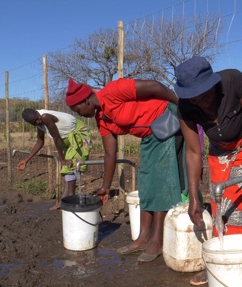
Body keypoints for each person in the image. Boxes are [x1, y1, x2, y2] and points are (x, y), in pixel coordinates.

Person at [65, 77, 187, 263]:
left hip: (165, 120)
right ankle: (143, 237)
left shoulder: (114, 91)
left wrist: (181, 105)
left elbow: (154, 86)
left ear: (86, 101)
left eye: (78, 110)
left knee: (159, 179)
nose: (80, 114)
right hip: (149, 135)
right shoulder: (101, 119)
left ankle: (157, 241)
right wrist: (106, 186)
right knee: (146, 180)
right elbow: (109, 152)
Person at [174, 56, 242, 285]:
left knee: (238, 201)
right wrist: (194, 197)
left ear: (213, 83)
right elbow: (193, 152)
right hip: (220, 149)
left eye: (204, 94)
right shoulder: (185, 107)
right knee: (219, 204)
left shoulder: (233, 82)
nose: (201, 102)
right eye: (194, 97)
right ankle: (220, 262)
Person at [18, 108, 92, 211]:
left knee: (70, 168)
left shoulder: (45, 117)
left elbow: (56, 138)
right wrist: (26, 159)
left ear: (37, 112)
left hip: (79, 134)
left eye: (37, 119)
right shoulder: (39, 123)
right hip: (67, 139)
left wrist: (62, 160)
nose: (38, 122)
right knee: (68, 171)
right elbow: (40, 142)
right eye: (34, 122)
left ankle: (71, 203)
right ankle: (64, 202)